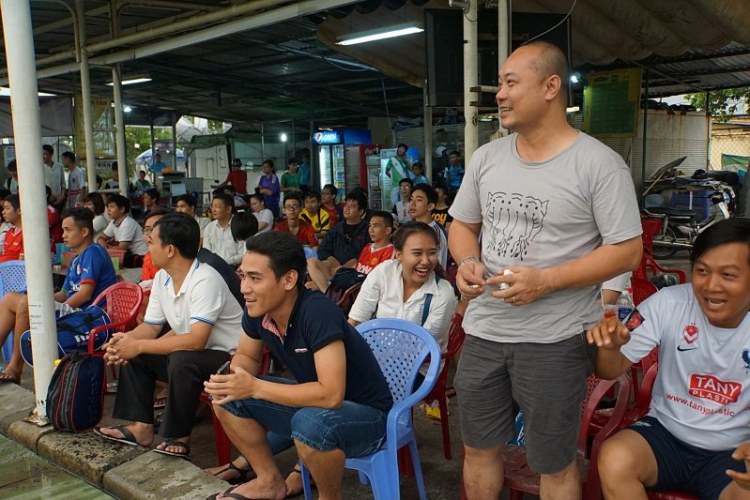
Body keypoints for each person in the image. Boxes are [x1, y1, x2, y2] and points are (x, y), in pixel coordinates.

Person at [448, 41, 643, 499]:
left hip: (554, 341)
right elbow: (461, 224)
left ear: (551, 87)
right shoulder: (488, 158)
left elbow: (627, 251)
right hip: (483, 332)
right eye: (500, 83)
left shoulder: (597, 165)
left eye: (510, 82)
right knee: (478, 450)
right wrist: (468, 261)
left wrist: (546, 280)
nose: (499, 94)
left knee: (552, 463)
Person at [203, 231, 393, 500]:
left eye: (255, 278)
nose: (244, 287)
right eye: (243, 275)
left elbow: (330, 394)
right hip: (314, 404)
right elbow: (247, 357)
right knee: (224, 396)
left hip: (370, 417)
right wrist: (235, 380)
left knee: (310, 423)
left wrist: (254, 387)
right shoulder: (258, 308)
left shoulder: (317, 311)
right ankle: (268, 480)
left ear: (289, 279)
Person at [590, 218, 750, 500]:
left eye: (728, 275)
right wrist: (610, 349)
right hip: (666, 436)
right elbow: (607, 371)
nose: (711, 286)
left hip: (734, 450)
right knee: (615, 456)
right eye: (702, 271)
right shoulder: (669, 302)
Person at [95, 214, 243, 458]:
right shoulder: (163, 278)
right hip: (195, 354)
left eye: (152, 241)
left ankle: (180, 437)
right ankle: (141, 428)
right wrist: (125, 341)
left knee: (179, 359)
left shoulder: (205, 279)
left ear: (170, 249)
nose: (147, 245)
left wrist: (139, 345)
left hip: (228, 358)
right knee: (137, 352)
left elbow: (196, 340)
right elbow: (151, 327)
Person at [0, 207, 117, 384]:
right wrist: (44, 301)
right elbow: (63, 293)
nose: (63, 235)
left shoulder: (94, 252)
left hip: (88, 317)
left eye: (68, 230)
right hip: (76, 310)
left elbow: (84, 294)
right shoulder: (77, 257)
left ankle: (15, 366)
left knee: (26, 304)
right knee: (11, 298)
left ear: (84, 231)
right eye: (63, 230)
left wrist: (58, 311)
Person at [306, 191, 371, 292]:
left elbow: (367, 253)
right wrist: (333, 262)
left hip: (355, 269)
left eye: (352, 206)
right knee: (311, 262)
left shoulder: (367, 229)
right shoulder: (336, 228)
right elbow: (322, 249)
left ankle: (328, 288)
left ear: (361, 211)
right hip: (333, 268)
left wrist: (343, 268)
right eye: (346, 205)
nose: (347, 208)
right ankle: (327, 291)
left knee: (311, 285)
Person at [409, 183, 448, 270]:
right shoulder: (409, 228)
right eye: (411, 199)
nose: (412, 204)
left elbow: (437, 266)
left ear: (430, 206)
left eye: (419, 200)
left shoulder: (435, 232)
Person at [203, 193, 245, 267]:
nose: (213, 210)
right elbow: (206, 252)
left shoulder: (240, 225)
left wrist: (224, 262)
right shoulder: (210, 227)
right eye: (212, 206)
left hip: (235, 267)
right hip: (213, 267)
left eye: (217, 206)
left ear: (228, 209)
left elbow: (243, 253)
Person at [0, 195, 23, 263]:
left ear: (19, 210)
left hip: (12, 272)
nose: (3, 212)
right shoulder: (9, 232)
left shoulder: (27, 234)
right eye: (3, 209)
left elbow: (21, 263)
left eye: (7, 208)